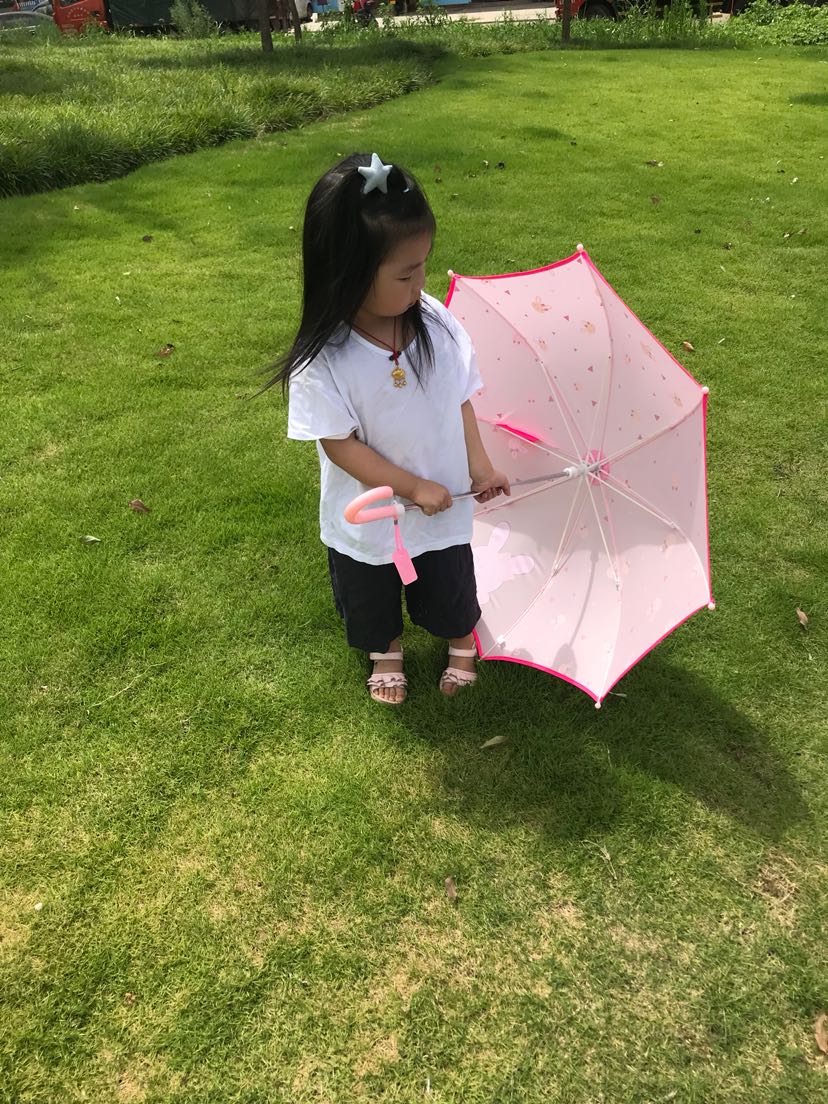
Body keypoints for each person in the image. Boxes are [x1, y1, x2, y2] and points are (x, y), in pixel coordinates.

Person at [269, 152, 510, 705]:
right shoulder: (324, 359)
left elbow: (460, 400)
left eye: (423, 265)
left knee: (448, 579)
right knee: (370, 587)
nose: (421, 283)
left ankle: (461, 639)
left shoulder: (436, 324)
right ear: (346, 273)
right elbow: (341, 447)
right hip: (371, 510)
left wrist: (479, 468)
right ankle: (386, 650)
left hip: (443, 498)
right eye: (405, 274)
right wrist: (411, 486)